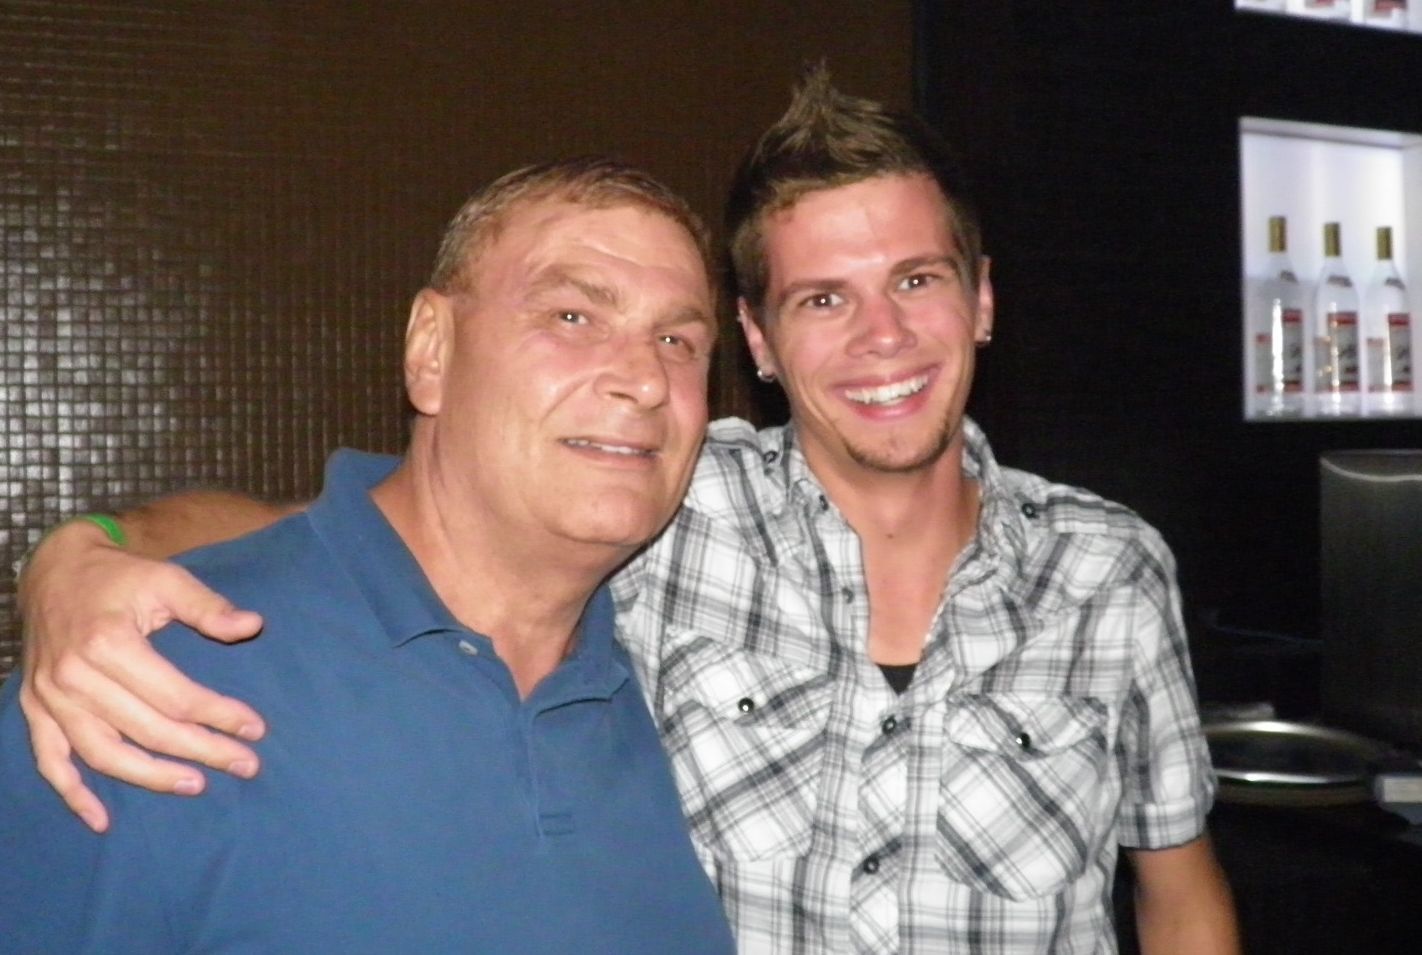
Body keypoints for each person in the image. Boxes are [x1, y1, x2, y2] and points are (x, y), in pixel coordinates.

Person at [16, 69, 1239, 953]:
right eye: (822, 299)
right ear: (761, 342)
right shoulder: (669, 508)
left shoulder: (1112, 568)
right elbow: (334, 530)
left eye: (917, 280)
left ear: (981, 299)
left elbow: (1179, 891)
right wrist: (83, 555)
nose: (883, 336)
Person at [0, 157, 736, 953]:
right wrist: (77, 550)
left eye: (678, 339)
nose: (645, 380)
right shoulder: (138, 685)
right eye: (572, 316)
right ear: (431, 350)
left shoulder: (695, 667)